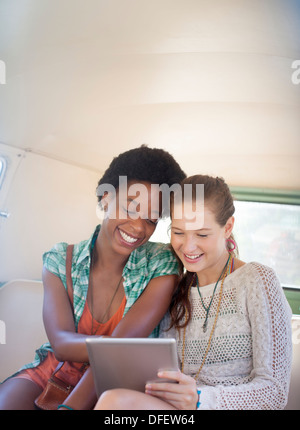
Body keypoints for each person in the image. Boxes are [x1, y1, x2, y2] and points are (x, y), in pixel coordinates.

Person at [0, 145, 186, 410]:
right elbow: (62, 345)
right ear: (107, 197)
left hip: (115, 383)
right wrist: (117, 348)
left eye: (151, 219)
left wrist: (69, 407)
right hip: (54, 370)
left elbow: (116, 356)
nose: (138, 227)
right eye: (131, 208)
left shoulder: (161, 264)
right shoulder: (59, 259)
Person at [95, 174, 293, 410]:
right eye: (178, 232)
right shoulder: (176, 289)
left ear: (228, 227)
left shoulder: (258, 281)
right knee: (112, 400)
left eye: (201, 234)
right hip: (178, 411)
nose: (188, 247)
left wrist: (200, 398)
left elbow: (275, 393)